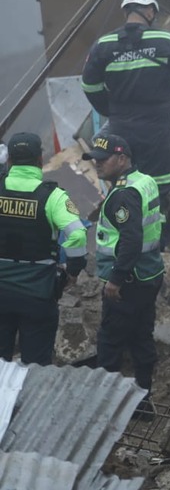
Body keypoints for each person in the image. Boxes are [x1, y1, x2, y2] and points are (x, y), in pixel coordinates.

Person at [81, 0, 170, 243]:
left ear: (126, 10)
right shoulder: (166, 41)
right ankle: (155, 249)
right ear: (150, 11)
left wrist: (111, 111)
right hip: (157, 131)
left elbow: (89, 85)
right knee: (158, 191)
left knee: (121, 189)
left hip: (119, 131)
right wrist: (167, 108)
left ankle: (121, 248)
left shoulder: (104, 44)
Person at [84, 133, 164, 404]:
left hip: (128, 280)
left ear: (122, 158)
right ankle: (143, 401)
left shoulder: (123, 194)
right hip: (149, 272)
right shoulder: (145, 181)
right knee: (142, 337)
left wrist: (116, 280)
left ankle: (105, 406)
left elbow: (131, 240)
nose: (97, 164)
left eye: (103, 160)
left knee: (110, 343)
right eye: (95, 159)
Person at [0, 133, 87, 366]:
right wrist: (73, 271)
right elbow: (77, 234)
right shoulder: (53, 197)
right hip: (37, 294)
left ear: (9, 161)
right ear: (40, 160)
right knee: (34, 368)